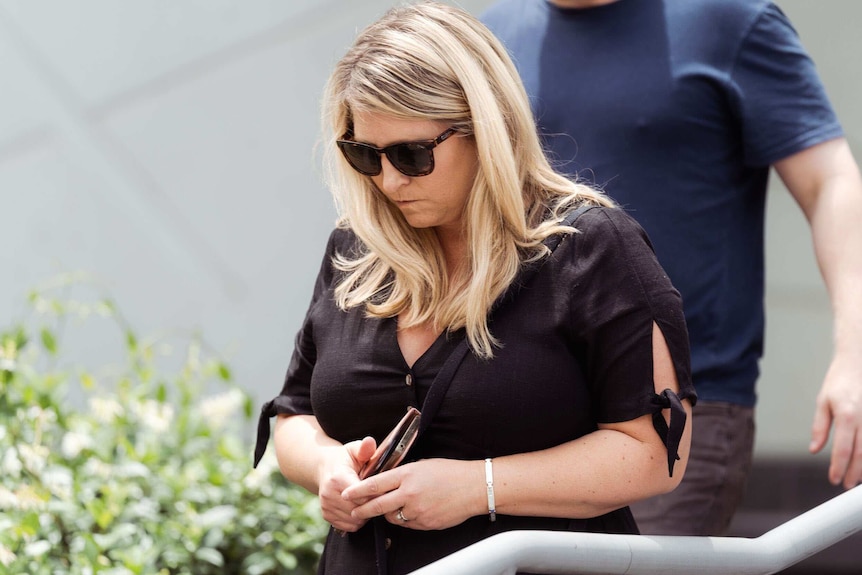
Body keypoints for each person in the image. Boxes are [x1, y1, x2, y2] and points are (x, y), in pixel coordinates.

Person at [251, 2, 696, 573]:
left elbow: (656, 452)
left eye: (412, 155)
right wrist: (327, 468)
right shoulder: (355, 247)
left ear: (485, 128)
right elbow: (294, 416)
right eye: (365, 155)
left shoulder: (592, 246)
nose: (388, 181)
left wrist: (479, 486)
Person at [481, 0, 862, 536]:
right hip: (518, 406)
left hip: (675, 414)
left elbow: (831, 183)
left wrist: (855, 351)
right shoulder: (490, 35)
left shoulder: (729, 19)